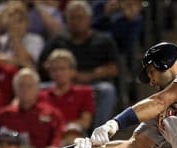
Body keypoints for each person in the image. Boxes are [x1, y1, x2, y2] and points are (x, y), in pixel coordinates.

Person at [39, 0, 119, 130]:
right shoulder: (58, 40)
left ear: (89, 19)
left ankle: (99, 133)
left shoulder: (103, 40)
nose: (75, 21)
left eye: (80, 17)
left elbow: (113, 69)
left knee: (107, 90)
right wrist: (61, 71)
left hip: (91, 83)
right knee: (37, 88)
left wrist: (89, 76)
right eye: (72, 18)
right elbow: (43, 64)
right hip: (60, 81)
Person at [0, 67, 64, 148]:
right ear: (14, 88)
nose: (25, 89)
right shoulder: (4, 115)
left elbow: (58, 139)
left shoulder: (52, 114)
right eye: (21, 85)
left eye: (29, 85)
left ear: (38, 88)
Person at [40, 48, 95, 133]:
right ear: (49, 73)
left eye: (62, 69)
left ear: (72, 71)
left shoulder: (84, 92)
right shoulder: (42, 95)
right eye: (54, 70)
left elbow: (85, 123)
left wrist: (60, 126)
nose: (58, 73)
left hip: (72, 136)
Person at [0, 1, 45, 70]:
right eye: (12, 21)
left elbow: (28, 65)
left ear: (27, 23)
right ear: (6, 23)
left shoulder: (36, 40)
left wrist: (15, 38)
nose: (16, 26)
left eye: (20, 21)